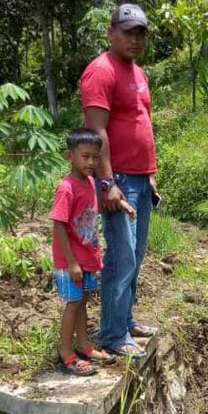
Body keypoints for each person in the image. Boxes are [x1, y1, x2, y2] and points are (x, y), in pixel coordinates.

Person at [80, 3, 160, 359]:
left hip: (140, 178)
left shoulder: (138, 72)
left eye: (140, 33)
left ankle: (124, 320)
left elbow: (142, 123)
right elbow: (96, 132)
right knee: (121, 257)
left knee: (136, 255)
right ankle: (112, 335)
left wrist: (151, 175)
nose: (134, 39)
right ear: (111, 32)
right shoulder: (101, 71)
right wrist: (107, 183)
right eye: (128, 32)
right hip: (119, 180)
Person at [50, 128, 135, 376]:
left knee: (83, 300)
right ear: (70, 156)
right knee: (73, 302)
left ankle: (84, 345)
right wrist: (71, 262)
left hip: (87, 258)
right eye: (85, 156)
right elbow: (59, 224)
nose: (91, 162)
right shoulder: (66, 188)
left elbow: (92, 207)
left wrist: (122, 203)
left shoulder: (89, 182)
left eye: (95, 157)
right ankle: (66, 353)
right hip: (72, 261)